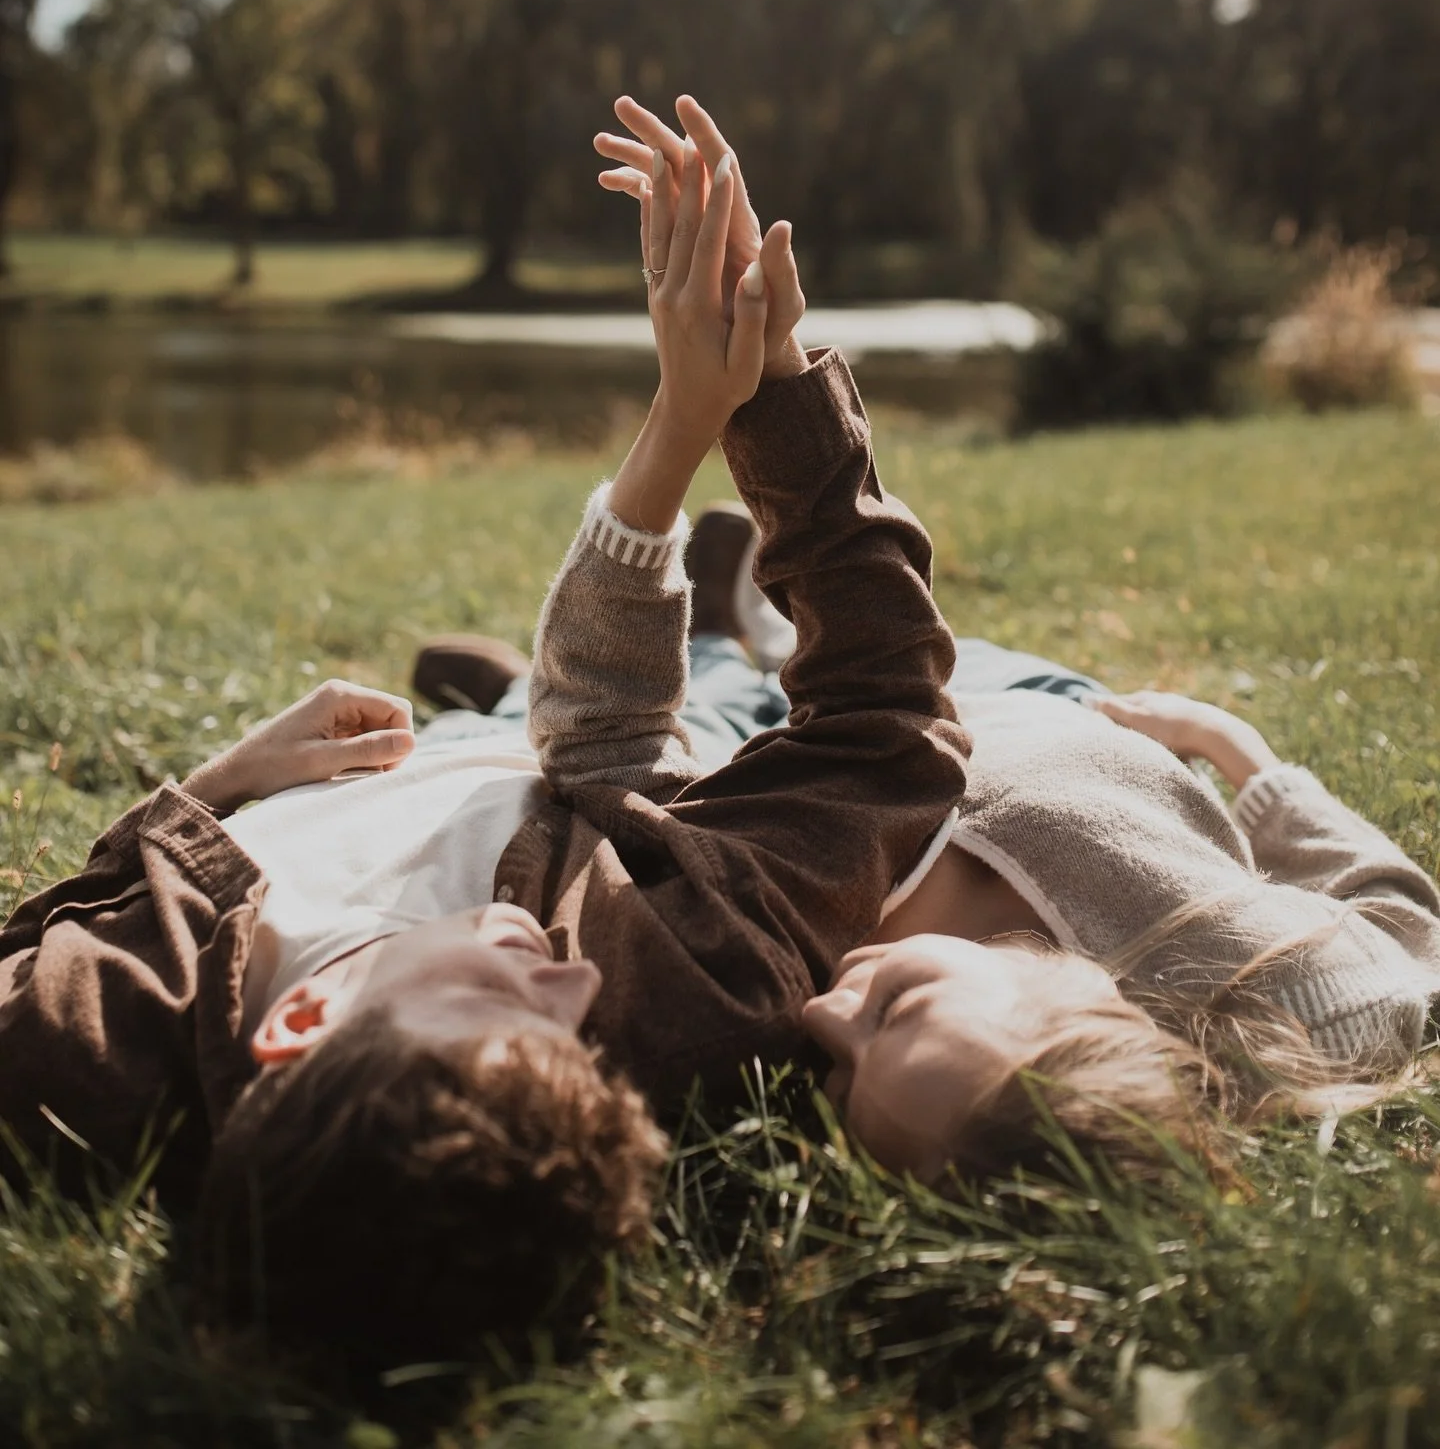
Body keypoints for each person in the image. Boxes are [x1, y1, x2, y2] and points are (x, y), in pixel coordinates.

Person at [0, 94, 970, 1378]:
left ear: (296, 1031)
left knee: (513, 695)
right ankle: (628, 658)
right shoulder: (674, 998)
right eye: (580, 1028)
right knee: (681, 704)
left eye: (494, 996)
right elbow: (886, 733)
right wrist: (767, 383)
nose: (565, 981)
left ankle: (510, 685)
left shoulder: (78, 1052)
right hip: (607, 743)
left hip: (452, 748)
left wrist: (215, 791)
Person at [588, 96, 1440, 1189]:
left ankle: (708, 632)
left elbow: (655, 770)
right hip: (1043, 707)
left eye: (836, 1085)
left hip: (832, 756)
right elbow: (1408, 923)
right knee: (897, 648)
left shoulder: (804, 987)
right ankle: (750, 615)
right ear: (1079, 997)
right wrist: (1247, 761)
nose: (831, 1021)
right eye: (897, 1006)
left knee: (717, 720)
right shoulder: (1296, 1001)